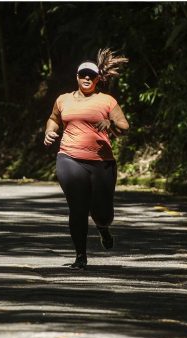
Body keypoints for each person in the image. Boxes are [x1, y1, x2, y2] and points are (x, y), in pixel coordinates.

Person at [43, 48, 130, 270]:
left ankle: (102, 227)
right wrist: (49, 131)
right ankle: (80, 256)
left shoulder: (107, 101)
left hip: (102, 162)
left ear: (98, 78)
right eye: (83, 75)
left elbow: (124, 126)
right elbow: (53, 119)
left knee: (103, 214)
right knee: (78, 207)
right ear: (77, 77)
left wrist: (111, 124)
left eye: (91, 75)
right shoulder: (63, 100)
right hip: (69, 158)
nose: (87, 78)